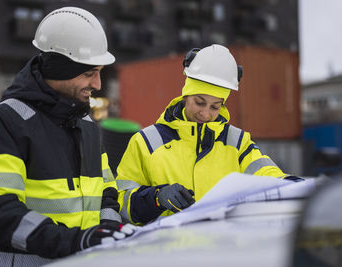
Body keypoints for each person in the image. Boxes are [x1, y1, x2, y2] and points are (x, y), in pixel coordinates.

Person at [0, 7, 136, 266]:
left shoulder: (87, 125)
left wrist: (110, 233)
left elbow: (106, 191)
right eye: (89, 73)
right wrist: (76, 241)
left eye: (100, 72)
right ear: (59, 69)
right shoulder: (1, 123)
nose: (98, 84)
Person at [116, 44, 304, 225]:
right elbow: (122, 204)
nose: (205, 114)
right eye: (199, 102)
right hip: (167, 253)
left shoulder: (237, 143)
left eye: (215, 107)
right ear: (185, 95)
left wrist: (293, 186)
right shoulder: (146, 142)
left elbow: (266, 175)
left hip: (219, 252)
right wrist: (156, 198)